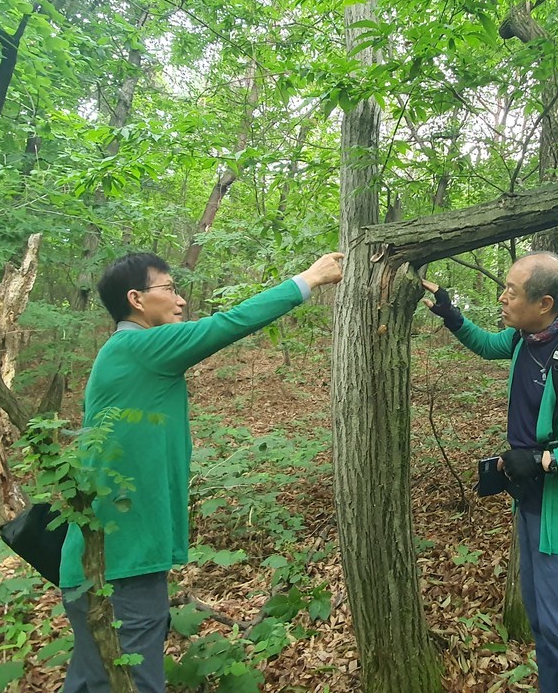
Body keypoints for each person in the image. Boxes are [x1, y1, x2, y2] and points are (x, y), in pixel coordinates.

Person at [59, 251, 344, 693]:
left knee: (92, 683)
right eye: (169, 288)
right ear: (136, 298)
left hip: (107, 556)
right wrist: (308, 279)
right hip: (121, 562)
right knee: (133, 684)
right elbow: (227, 325)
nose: (180, 300)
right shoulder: (137, 347)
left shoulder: (126, 352)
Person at [422, 251, 558, 693]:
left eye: (511, 292)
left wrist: (544, 460)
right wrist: (450, 312)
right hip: (531, 502)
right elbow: (484, 344)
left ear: (544, 304)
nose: (502, 297)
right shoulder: (523, 340)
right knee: (542, 623)